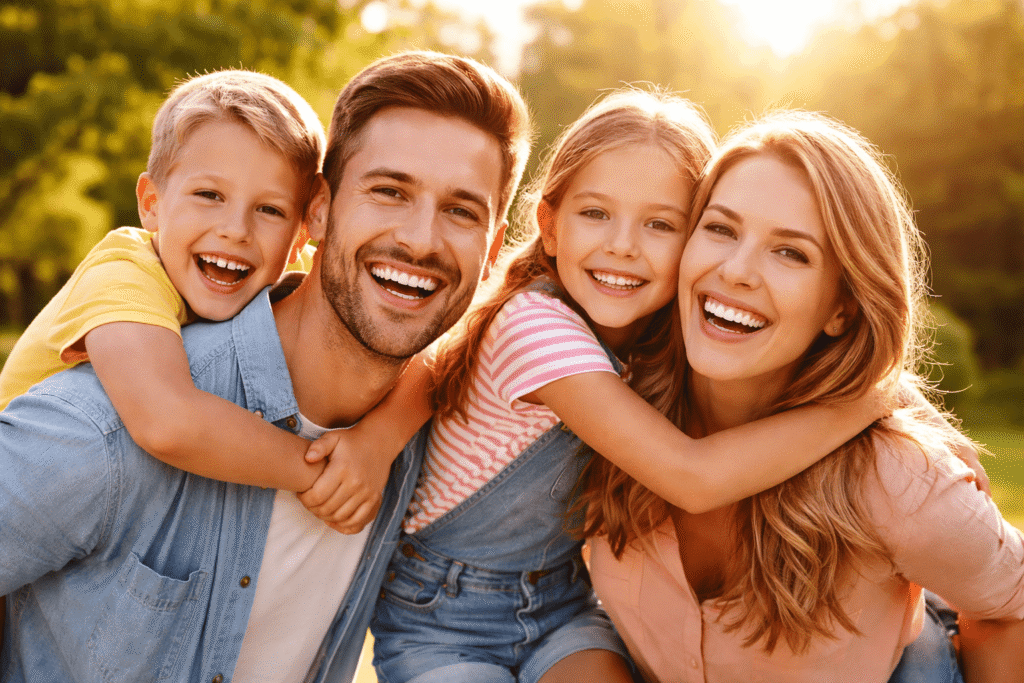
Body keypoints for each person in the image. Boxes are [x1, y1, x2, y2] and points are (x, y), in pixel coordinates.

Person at [0, 50, 531, 683]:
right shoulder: (105, 424)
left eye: (461, 211)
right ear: (320, 211)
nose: (419, 240)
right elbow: (166, 422)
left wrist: (380, 440)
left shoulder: (428, 448)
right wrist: (318, 469)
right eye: (389, 192)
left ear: (492, 249)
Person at [368, 90, 887, 683]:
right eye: (595, 214)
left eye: (660, 224)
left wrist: (906, 409)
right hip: (440, 616)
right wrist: (867, 399)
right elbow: (691, 477)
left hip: (561, 602)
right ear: (550, 227)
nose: (623, 245)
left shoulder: (663, 335)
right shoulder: (535, 327)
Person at [582, 110, 1024, 683]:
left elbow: (1011, 605)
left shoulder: (898, 480)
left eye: (791, 252)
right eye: (721, 229)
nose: (736, 271)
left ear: (843, 308)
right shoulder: (604, 399)